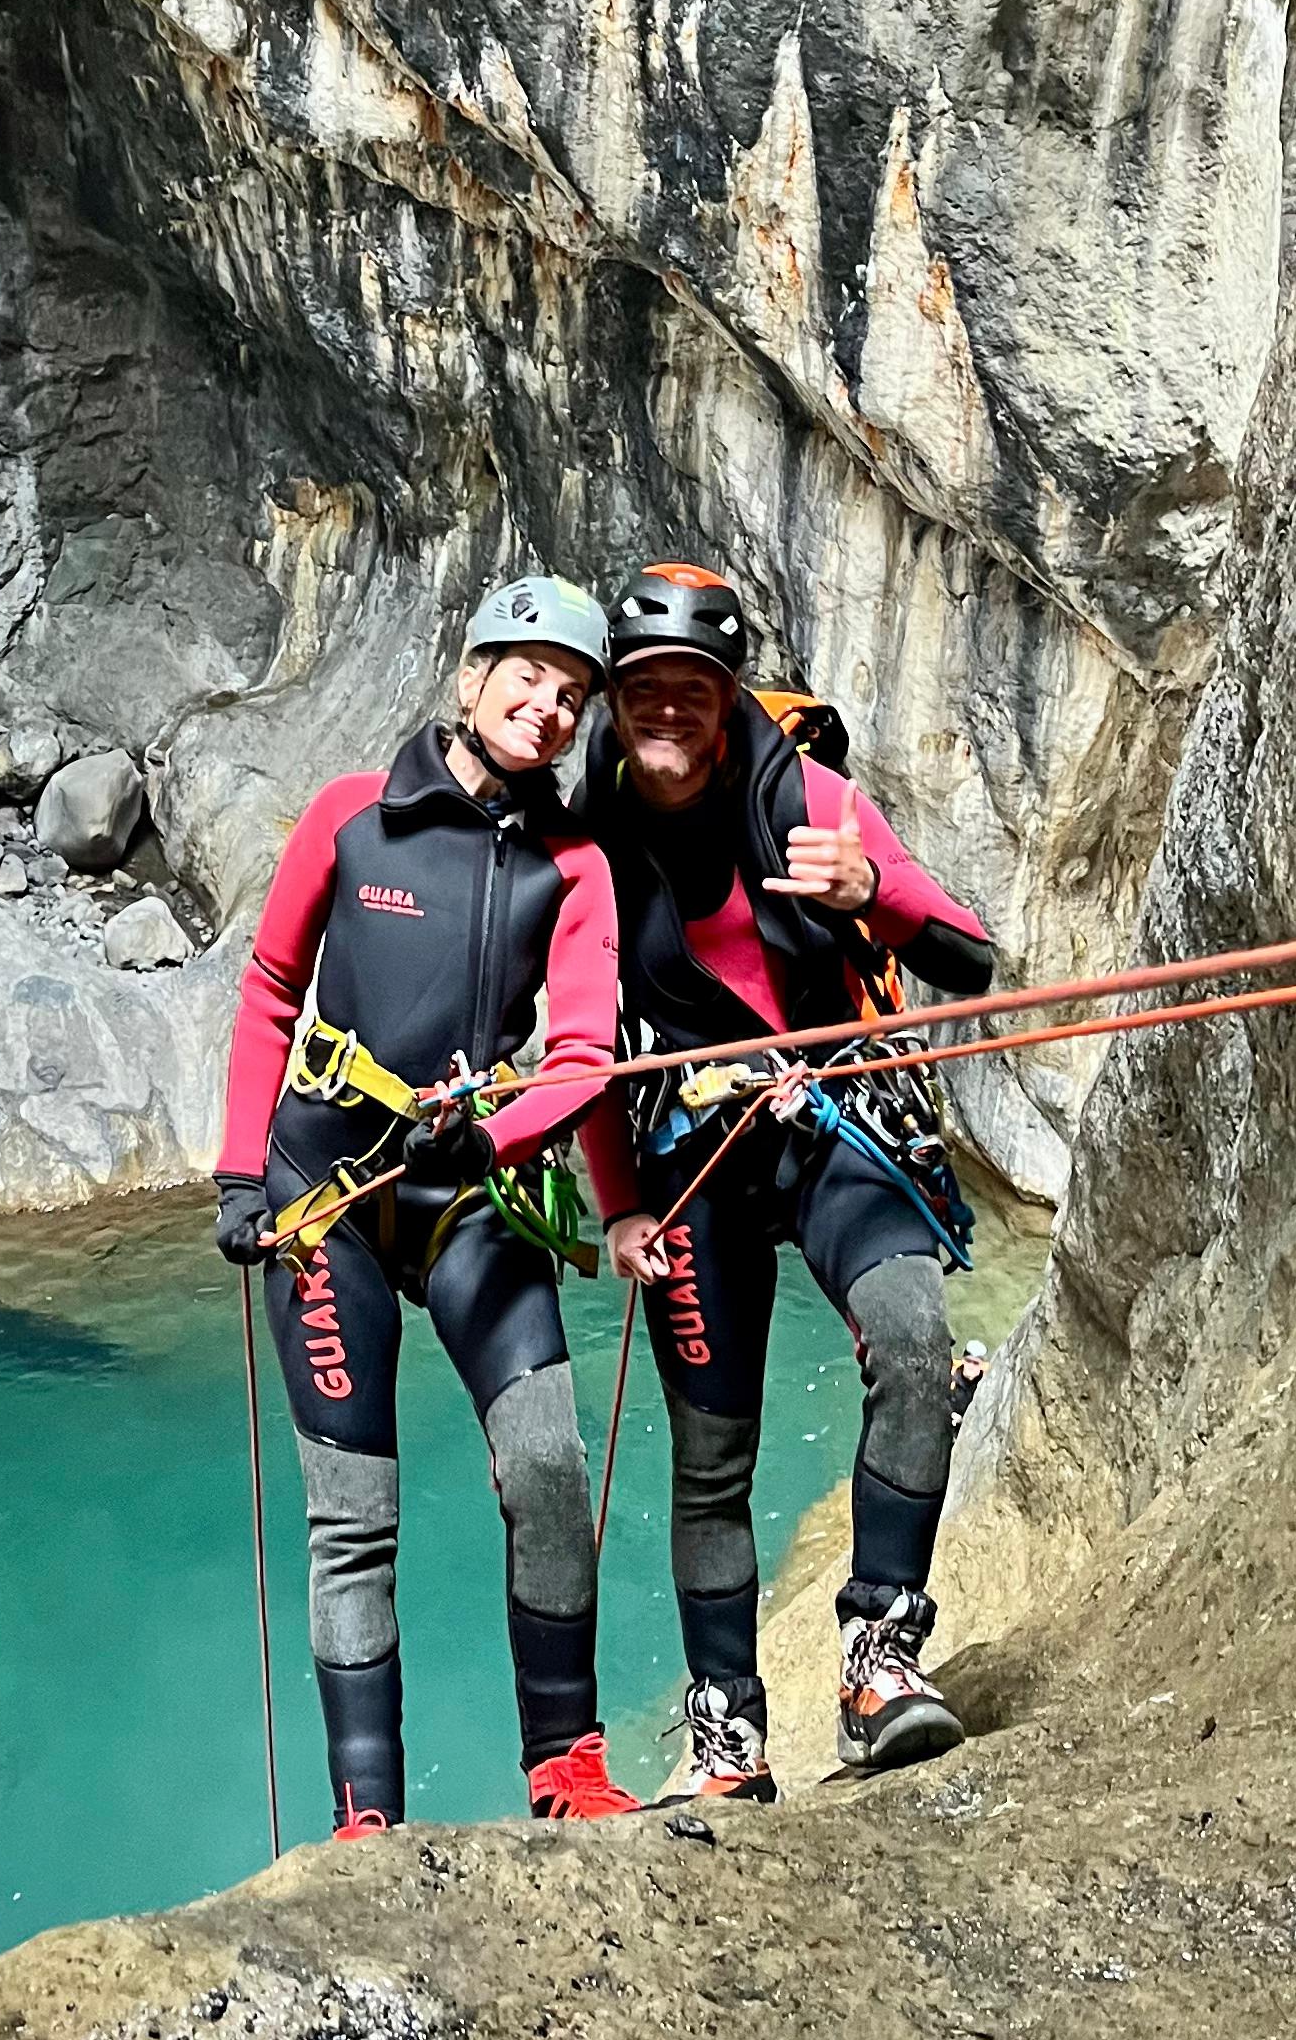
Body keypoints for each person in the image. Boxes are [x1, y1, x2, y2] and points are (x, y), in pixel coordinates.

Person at [213, 578, 641, 1836]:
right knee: (353, 1517)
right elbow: (270, 988)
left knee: (550, 1465)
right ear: (470, 678)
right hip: (325, 1198)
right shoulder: (353, 819)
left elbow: (583, 1058)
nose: (549, 707)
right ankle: (366, 1820)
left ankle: (566, 1769)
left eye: (572, 696)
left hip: (468, 1194)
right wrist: (243, 1174)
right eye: (527, 677)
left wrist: (493, 1126)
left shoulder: (576, 868)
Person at [582, 564, 997, 1795]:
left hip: (833, 1122)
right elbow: (591, 1054)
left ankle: (880, 1655)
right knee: (713, 1456)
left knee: (916, 1342)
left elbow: (970, 958)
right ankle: (729, 1733)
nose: (667, 711)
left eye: (690, 692)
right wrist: (617, 1207)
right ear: (614, 701)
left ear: (725, 702)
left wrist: (874, 895)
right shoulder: (586, 847)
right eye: (644, 689)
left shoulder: (808, 800)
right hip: (691, 1159)